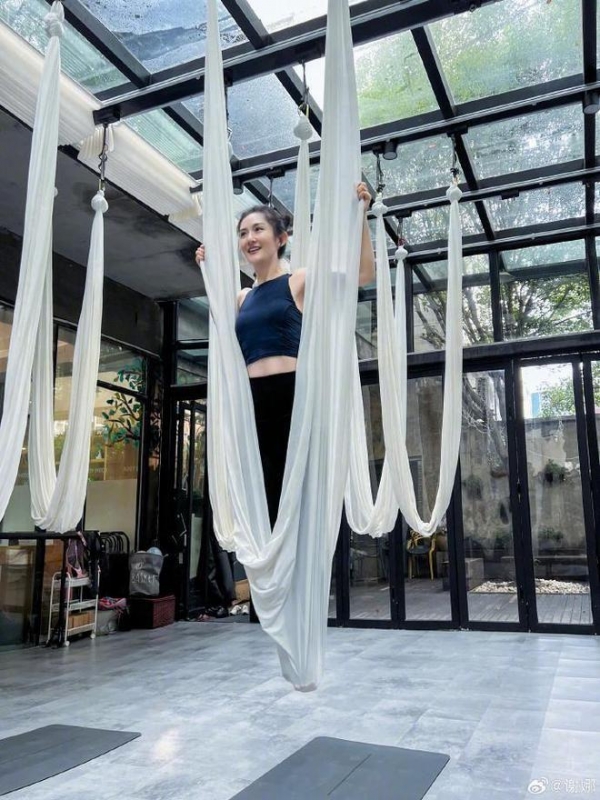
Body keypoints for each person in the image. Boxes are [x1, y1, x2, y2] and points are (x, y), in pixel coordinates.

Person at [195, 183, 375, 616]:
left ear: (281, 238)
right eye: (243, 233)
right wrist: (206, 267)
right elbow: (224, 337)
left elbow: (361, 274)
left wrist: (362, 216)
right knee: (267, 501)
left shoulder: (299, 281)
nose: (249, 238)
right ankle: (277, 594)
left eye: (258, 229)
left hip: (292, 398)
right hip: (252, 405)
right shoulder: (241, 297)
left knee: (299, 499)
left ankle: (305, 589)